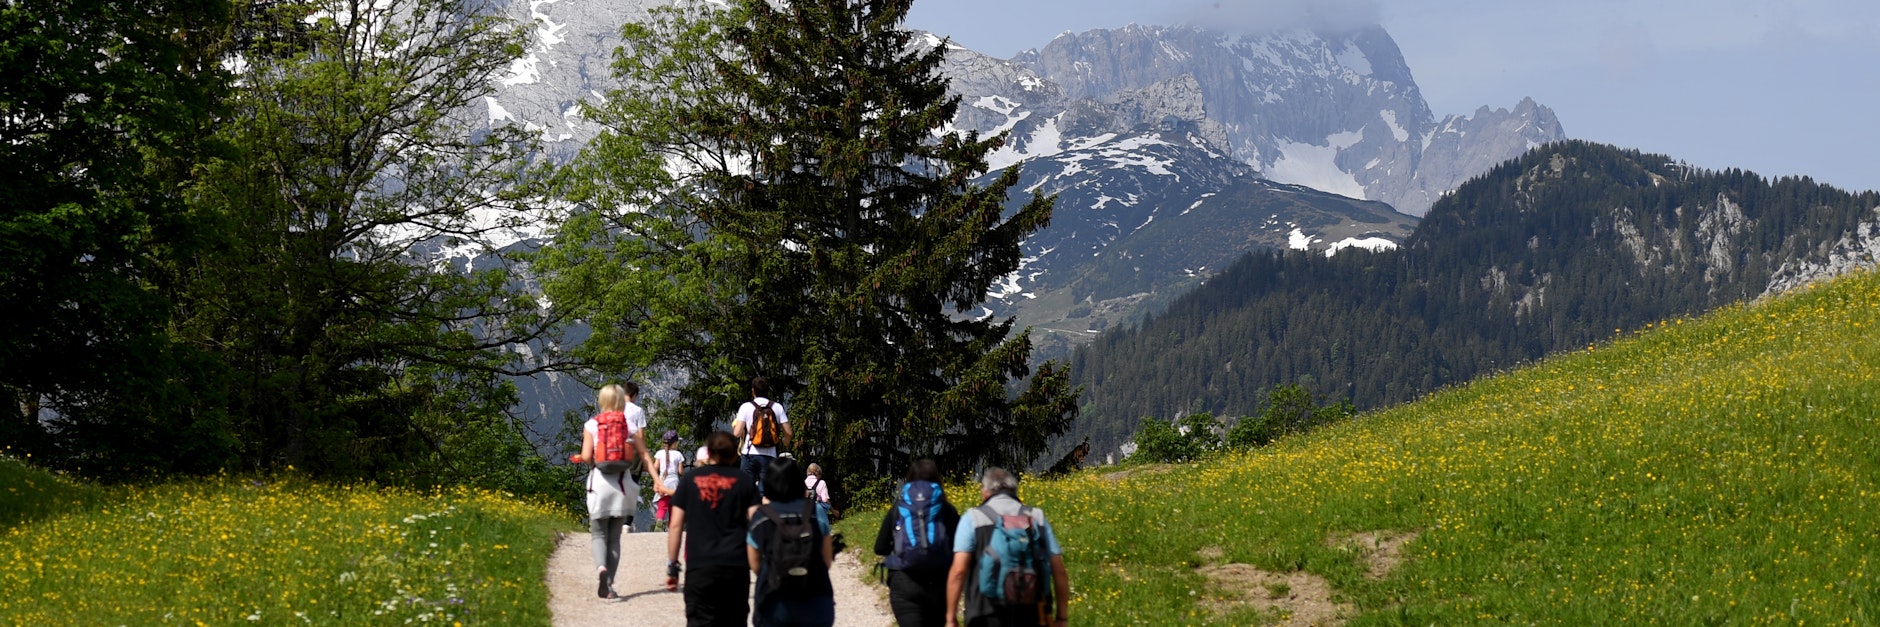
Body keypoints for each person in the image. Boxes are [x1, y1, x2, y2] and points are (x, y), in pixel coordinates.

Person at [943, 468, 1071, 627]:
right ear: (1015, 491)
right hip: (1032, 613)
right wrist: (1061, 618)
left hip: (984, 614)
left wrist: (950, 618)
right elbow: (1059, 571)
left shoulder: (972, 519)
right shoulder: (1036, 517)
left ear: (985, 492)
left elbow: (958, 572)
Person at [570, 383, 659, 599]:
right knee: (614, 538)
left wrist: (582, 457)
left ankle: (601, 568)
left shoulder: (591, 424)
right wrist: (657, 480)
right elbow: (644, 455)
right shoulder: (628, 426)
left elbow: (588, 456)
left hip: (599, 484)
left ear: (602, 401)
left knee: (599, 534)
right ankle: (609, 586)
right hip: (623, 484)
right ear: (621, 400)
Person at [668, 431, 761, 627]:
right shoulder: (744, 481)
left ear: (708, 453)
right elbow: (757, 522)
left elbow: (675, 525)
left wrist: (673, 565)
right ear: (735, 454)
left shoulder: (689, 480)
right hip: (736, 566)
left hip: (700, 566)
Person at [747, 457, 836, 627]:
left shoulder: (761, 516)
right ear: (798, 482)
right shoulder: (815, 511)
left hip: (774, 601)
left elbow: (755, 564)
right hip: (817, 600)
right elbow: (827, 560)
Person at [873, 459, 960, 627]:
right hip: (939, 584)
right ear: (937, 481)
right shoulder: (946, 509)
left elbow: (880, 547)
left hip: (905, 583)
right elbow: (961, 548)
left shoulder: (899, 507)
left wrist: (902, 549)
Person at [732, 376, 793, 497]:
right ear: (767, 390)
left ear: (753, 390)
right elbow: (789, 432)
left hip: (749, 453)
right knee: (765, 492)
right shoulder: (777, 407)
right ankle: (763, 514)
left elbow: (737, 433)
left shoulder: (746, 407)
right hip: (769, 454)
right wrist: (785, 441)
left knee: (745, 490)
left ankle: (748, 514)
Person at [652, 430, 687, 532]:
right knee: (673, 505)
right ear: (675, 443)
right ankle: (672, 526)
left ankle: (659, 521)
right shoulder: (678, 455)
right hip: (674, 482)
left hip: (663, 481)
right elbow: (680, 471)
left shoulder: (659, 453)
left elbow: (655, 467)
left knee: (662, 504)